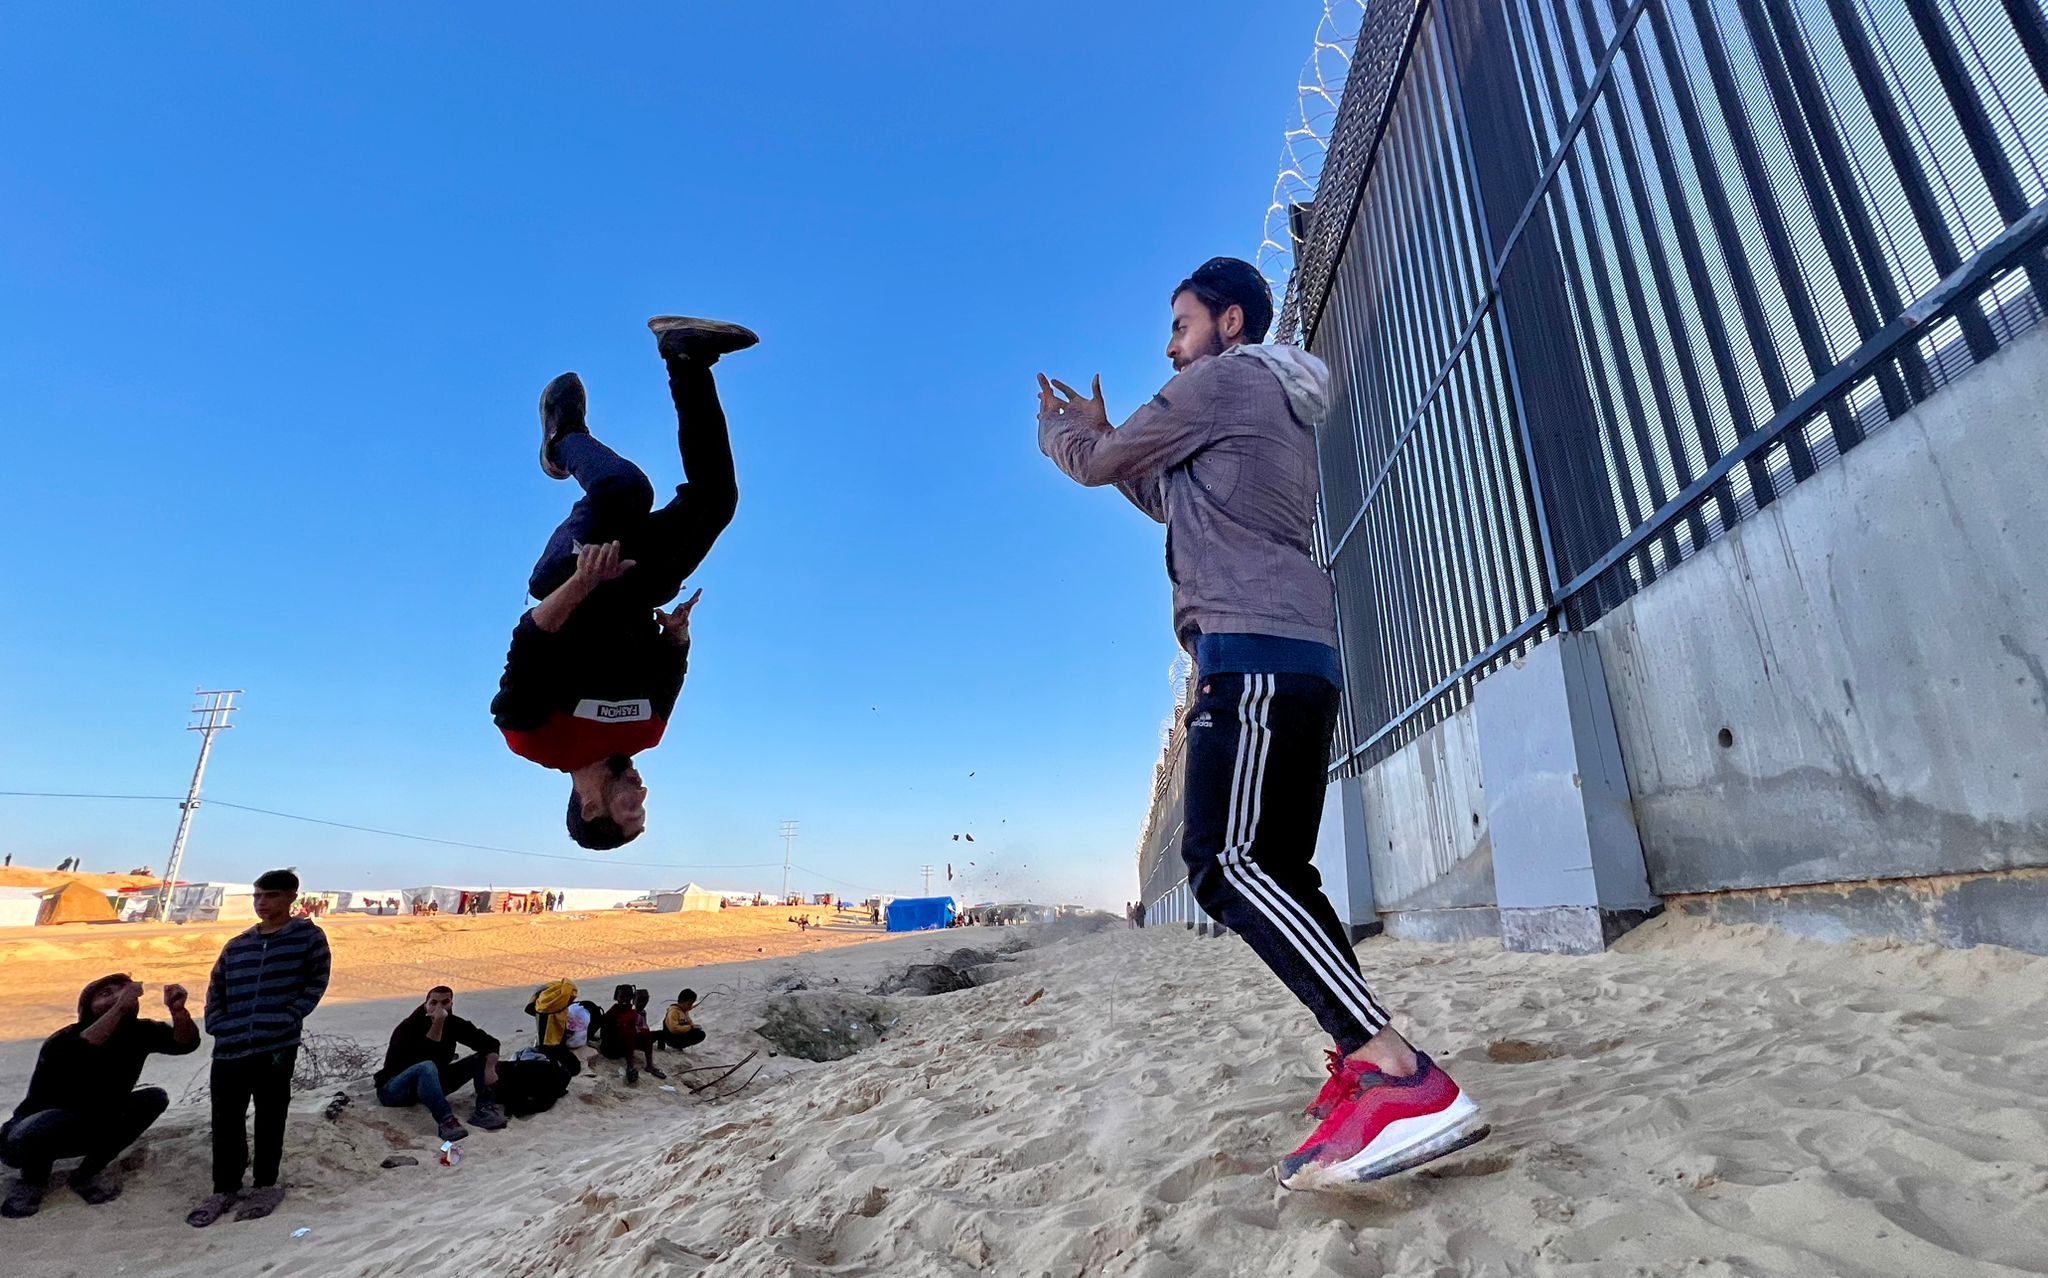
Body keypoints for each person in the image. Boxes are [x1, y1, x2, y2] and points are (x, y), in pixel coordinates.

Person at [1037, 256, 1486, 1189]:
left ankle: (1399, 1071)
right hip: (1298, 653)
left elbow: (1102, 466)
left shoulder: (1223, 381)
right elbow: (1167, 493)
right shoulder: (1266, 400)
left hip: (1249, 653)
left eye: (1181, 325)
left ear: (1230, 321)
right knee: (1280, 868)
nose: (1170, 347)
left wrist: (1065, 435)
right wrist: (1112, 438)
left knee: (1223, 863)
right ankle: (1370, 1061)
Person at [491, 315, 757, 849]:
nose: (643, 794)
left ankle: (563, 440)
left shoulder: (532, 738)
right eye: (643, 809)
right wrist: (678, 636)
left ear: (591, 807)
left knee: (626, 490)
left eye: (631, 809)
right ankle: (686, 357)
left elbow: (530, 638)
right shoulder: (647, 732)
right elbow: (670, 670)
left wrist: (584, 582)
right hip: (641, 584)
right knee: (716, 500)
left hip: (574, 576)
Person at [188, 868, 331, 1227]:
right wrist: (217, 1024)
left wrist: (289, 1016)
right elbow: (216, 988)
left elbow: (316, 981)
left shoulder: (308, 938)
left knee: (270, 1115)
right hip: (230, 1047)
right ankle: (225, 1188)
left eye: (270, 895)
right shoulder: (238, 944)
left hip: (276, 1046)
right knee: (225, 1119)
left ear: (291, 897)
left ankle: (265, 1185)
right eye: (257, 896)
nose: (261, 903)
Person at [1, 974, 198, 1218]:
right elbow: (81, 1051)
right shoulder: (65, 1039)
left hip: (96, 1125)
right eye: (106, 994)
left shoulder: (139, 1032)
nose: (117, 997)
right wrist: (119, 1006)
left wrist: (178, 1011)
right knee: (47, 1121)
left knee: (154, 1098)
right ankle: (32, 1182)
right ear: (87, 1007)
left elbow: (185, 1044)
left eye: (121, 991)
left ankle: (87, 1174)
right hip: (30, 1136)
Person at [373, 987, 508, 1141]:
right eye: (434, 1003)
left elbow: (490, 1043)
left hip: (431, 1086)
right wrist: (438, 1022)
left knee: (481, 1058)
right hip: (395, 1089)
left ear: (451, 1004)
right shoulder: (409, 1026)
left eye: (445, 1002)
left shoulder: (454, 1023)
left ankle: (485, 1108)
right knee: (427, 1066)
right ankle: (446, 1120)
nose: (439, 1008)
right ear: (426, 1004)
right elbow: (427, 1055)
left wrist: (490, 1068)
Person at [595, 986, 662, 1084]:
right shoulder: (613, 1012)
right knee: (628, 1032)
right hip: (611, 1048)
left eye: (628, 997)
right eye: (622, 997)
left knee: (646, 1033)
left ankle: (649, 1065)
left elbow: (641, 1028)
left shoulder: (632, 1013)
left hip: (624, 1046)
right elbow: (605, 1034)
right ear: (617, 997)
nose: (625, 1000)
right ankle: (630, 1066)